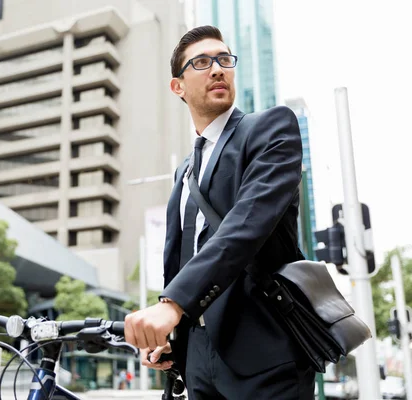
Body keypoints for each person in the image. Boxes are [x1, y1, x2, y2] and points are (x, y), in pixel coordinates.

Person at [123, 25, 315, 399]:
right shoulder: (184, 170)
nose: (216, 68)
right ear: (177, 86)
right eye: (201, 62)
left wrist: (173, 304)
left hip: (264, 352)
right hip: (196, 358)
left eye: (224, 59)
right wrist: (172, 339)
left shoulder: (271, 128)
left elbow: (246, 224)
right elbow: (180, 258)